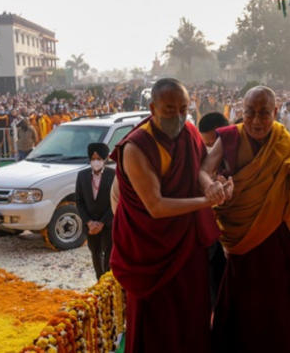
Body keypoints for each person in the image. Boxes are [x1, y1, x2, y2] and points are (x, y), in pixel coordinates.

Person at [201, 85, 290, 353]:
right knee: (242, 298)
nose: (256, 120)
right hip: (240, 235)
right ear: (241, 110)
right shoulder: (230, 136)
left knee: (281, 300)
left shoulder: (285, 141)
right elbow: (204, 170)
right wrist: (212, 187)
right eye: (250, 112)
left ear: (276, 112)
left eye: (264, 113)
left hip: (277, 235)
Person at [109, 78, 220, 353]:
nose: (179, 116)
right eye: (170, 110)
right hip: (150, 252)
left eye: (184, 108)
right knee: (156, 327)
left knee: (191, 317)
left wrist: (211, 186)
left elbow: (196, 170)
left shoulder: (190, 132)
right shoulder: (136, 147)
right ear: (153, 108)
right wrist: (207, 201)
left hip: (187, 247)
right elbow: (155, 207)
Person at [197, 111, 230, 308]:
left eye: (212, 143)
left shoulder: (237, 147)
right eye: (206, 144)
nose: (210, 149)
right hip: (212, 237)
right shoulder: (205, 161)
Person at [75, 143, 115, 280]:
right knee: (95, 252)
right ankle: (100, 280)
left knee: (109, 253)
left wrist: (102, 223)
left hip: (108, 224)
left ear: (105, 159)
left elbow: (116, 201)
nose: (95, 161)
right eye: (93, 158)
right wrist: (89, 222)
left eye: (99, 158)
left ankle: (108, 281)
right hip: (90, 225)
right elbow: (79, 201)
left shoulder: (113, 175)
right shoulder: (82, 176)